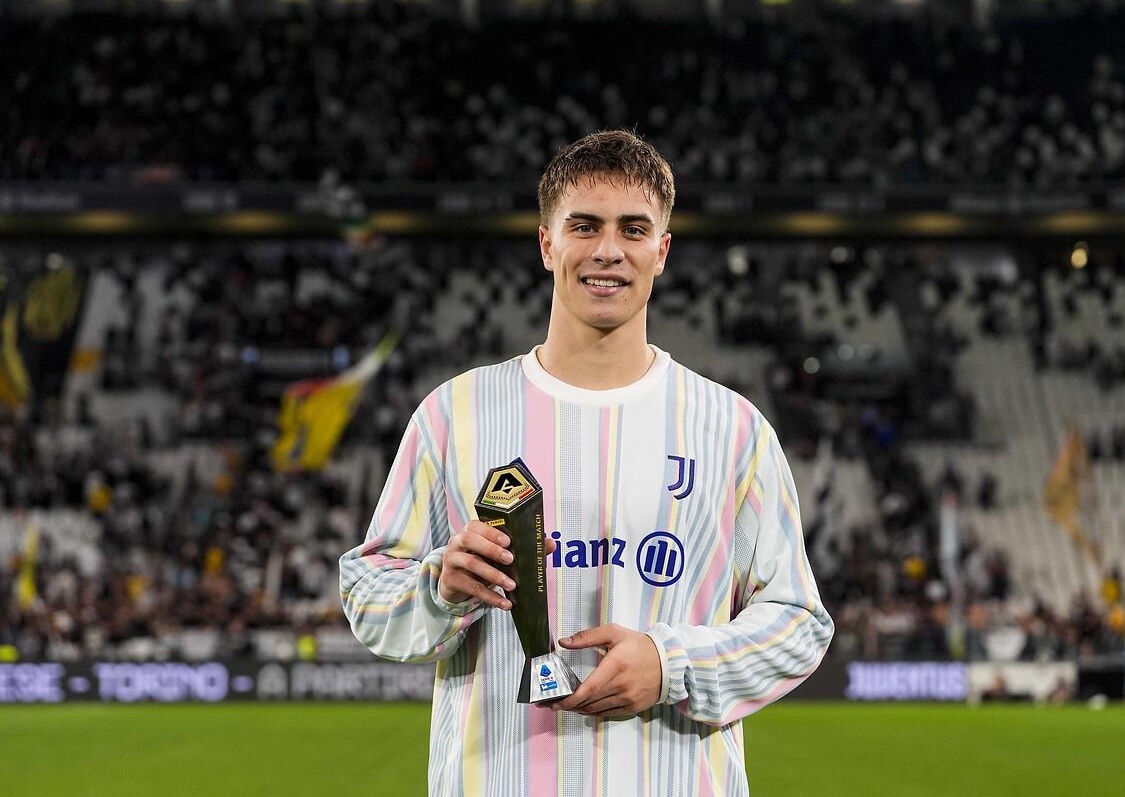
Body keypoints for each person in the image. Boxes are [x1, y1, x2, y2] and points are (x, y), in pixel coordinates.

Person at [339, 130, 833, 796]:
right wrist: (440, 587)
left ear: (661, 252)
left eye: (633, 229)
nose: (608, 250)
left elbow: (799, 624)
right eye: (584, 226)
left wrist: (671, 665)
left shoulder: (733, 430)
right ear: (547, 244)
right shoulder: (454, 415)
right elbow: (368, 595)